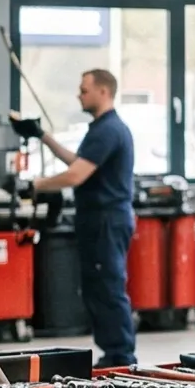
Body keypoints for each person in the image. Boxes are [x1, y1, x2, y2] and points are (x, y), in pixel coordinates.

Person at [19, 68, 136, 368]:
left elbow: (76, 175)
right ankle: (112, 354)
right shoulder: (99, 129)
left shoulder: (110, 130)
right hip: (97, 220)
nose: (79, 94)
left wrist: (35, 185)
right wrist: (42, 136)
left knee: (108, 287)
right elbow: (77, 161)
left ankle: (121, 356)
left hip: (107, 220)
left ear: (103, 92)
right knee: (97, 287)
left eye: (84, 90)